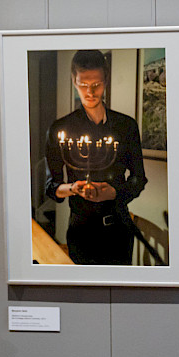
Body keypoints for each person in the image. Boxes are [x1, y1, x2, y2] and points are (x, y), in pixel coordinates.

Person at [44, 49, 147, 265]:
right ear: (74, 80)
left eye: (96, 84)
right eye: (83, 84)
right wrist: (74, 188)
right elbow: (51, 186)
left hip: (118, 230)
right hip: (81, 231)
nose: (90, 92)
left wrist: (115, 193)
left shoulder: (126, 126)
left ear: (106, 80)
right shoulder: (60, 128)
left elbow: (139, 178)